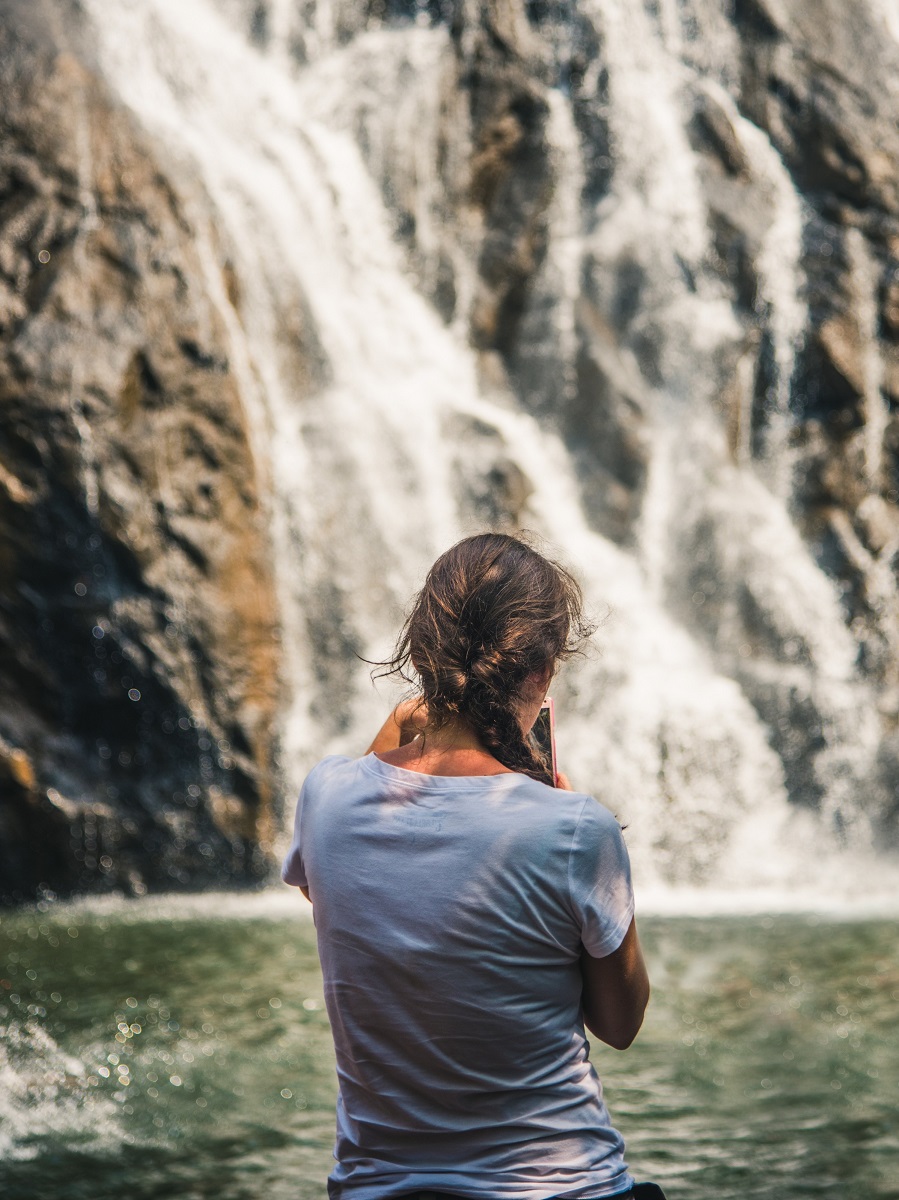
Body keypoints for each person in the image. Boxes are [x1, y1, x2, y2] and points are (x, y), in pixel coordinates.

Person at [281, 533, 658, 1200]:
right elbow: (619, 1024)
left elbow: (331, 884)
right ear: (540, 674)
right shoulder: (572, 828)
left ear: (421, 656)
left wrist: (407, 720)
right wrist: (560, 808)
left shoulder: (325, 797)